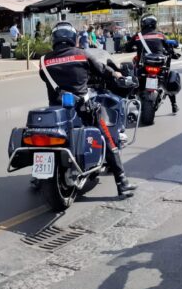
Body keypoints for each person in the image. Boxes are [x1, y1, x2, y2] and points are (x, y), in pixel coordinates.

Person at [38, 21, 138, 197]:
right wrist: (117, 74)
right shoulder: (81, 55)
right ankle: (122, 182)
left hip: (57, 114)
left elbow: (45, 79)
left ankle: (38, 178)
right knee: (107, 138)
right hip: (82, 109)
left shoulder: (44, 61)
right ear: (73, 38)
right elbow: (102, 69)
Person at [125, 15, 181, 113]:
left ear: (142, 24)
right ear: (154, 24)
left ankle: (134, 94)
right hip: (159, 66)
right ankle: (174, 105)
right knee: (167, 80)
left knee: (135, 75)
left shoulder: (138, 36)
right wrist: (173, 54)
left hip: (143, 67)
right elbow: (168, 48)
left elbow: (127, 48)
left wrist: (133, 47)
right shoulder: (160, 35)